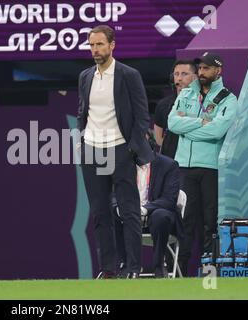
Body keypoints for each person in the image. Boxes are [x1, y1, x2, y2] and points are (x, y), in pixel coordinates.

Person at [77, 25, 154, 279]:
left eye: (100, 44)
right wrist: (82, 140)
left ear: (112, 45)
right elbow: (83, 112)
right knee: (100, 213)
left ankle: (133, 267)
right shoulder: (85, 76)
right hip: (92, 151)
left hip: (120, 149)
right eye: (91, 45)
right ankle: (108, 269)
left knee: (129, 210)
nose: (95, 50)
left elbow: (142, 116)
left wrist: (131, 147)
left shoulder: (128, 75)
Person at [167, 52, 238, 275]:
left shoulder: (228, 99)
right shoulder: (187, 93)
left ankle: (210, 274)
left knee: (210, 222)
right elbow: (172, 124)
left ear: (218, 71)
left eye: (207, 68)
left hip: (209, 168)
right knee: (185, 222)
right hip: (184, 168)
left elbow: (217, 130)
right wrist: (200, 122)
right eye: (200, 68)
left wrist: (188, 132)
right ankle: (180, 273)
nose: (202, 72)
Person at [113, 133, 184, 278]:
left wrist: (145, 209)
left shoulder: (169, 165)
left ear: (150, 145)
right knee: (114, 211)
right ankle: (127, 266)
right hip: (131, 217)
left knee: (160, 216)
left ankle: (159, 266)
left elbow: (169, 200)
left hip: (156, 215)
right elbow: (114, 194)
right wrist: (121, 207)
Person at [154, 60, 197, 159]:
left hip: (193, 159)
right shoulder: (163, 105)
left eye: (184, 74)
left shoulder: (201, 103)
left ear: (195, 77)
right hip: (170, 160)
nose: (179, 78)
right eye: (176, 74)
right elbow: (158, 139)